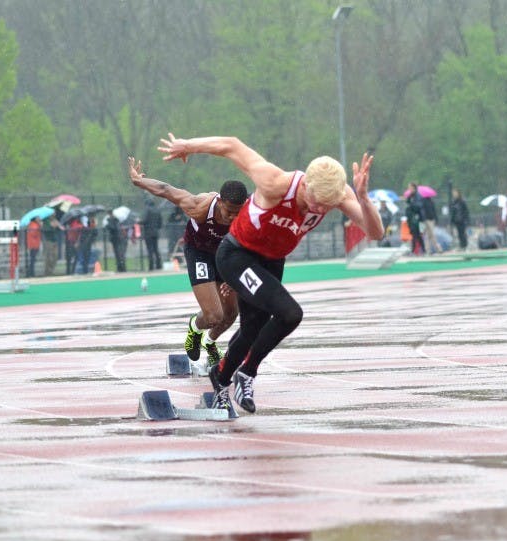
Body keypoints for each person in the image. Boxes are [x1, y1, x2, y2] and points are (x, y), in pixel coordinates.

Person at [158, 133, 384, 414]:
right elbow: (232, 145)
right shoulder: (276, 181)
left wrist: (362, 198)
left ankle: (221, 377)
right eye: (316, 202)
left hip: (272, 261)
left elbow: (375, 233)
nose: (320, 209)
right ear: (306, 184)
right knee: (290, 313)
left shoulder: (338, 195)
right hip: (237, 255)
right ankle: (247, 373)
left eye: (328, 205)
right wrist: (187, 146)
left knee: (253, 329)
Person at [127, 156, 247, 369]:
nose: (231, 218)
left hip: (225, 255)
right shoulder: (200, 206)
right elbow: (167, 189)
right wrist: (139, 181)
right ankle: (194, 327)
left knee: (230, 315)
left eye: (237, 213)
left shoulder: (246, 215)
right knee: (213, 316)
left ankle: (210, 344)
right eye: (228, 212)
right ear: (219, 202)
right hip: (199, 252)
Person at [141, 196, 163, 270]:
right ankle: (159, 265)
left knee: (150, 249)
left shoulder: (147, 210)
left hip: (148, 232)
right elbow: (160, 223)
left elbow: (144, 220)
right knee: (156, 249)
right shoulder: (157, 210)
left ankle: (151, 266)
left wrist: (138, 221)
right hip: (155, 232)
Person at [403, 183, 425, 255]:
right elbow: (408, 206)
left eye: (410, 188)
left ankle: (418, 250)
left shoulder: (418, 196)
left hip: (417, 219)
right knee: (415, 235)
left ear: (414, 188)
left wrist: (411, 204)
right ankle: (418, 250)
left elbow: (418, 207)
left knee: (417, 235)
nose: (409, 189)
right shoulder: (410, 197)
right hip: (411, 219)